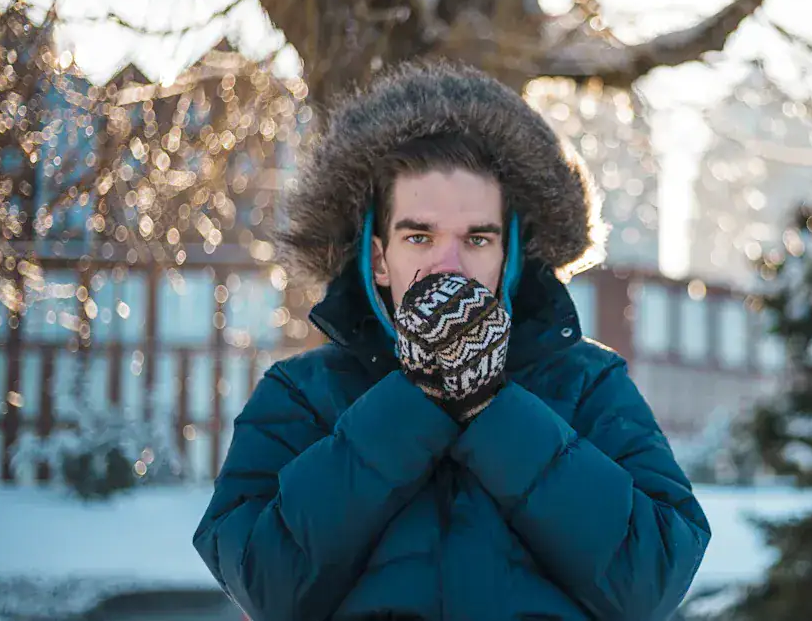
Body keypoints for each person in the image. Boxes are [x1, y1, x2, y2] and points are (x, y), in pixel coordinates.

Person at [192, 60, 711, 621]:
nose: (449, 264)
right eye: (419, 236)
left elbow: (653, 578)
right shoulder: (300, 394)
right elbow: (264, 581)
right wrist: (415, 400)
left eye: (477, 239)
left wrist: (493, 407)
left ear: (507, 255)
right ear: (378, 258)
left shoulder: (587, 383)